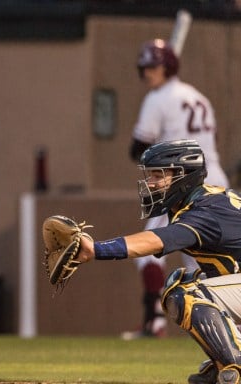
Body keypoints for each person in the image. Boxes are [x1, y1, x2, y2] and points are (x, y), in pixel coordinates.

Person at [75, 139, 241, 384]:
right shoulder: (207, 198)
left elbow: (154, 241)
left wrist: (95, 249)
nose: (150, 183)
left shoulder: (203, 211)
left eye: (158, 175)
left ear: (183, 176)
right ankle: (223, 361)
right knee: (181, 281)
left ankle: (235, 363)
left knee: (185, 294)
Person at [124, 38, 230, 340]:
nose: (146, 73)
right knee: (205, 261)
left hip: (184, 186)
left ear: (165, 67)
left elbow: (138, 148)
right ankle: (226, 330)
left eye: (152, 66)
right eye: (144, 67)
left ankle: (154, 323)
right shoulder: (198, 96)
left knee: (146, 251)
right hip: (217, 181)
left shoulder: (157, 99)